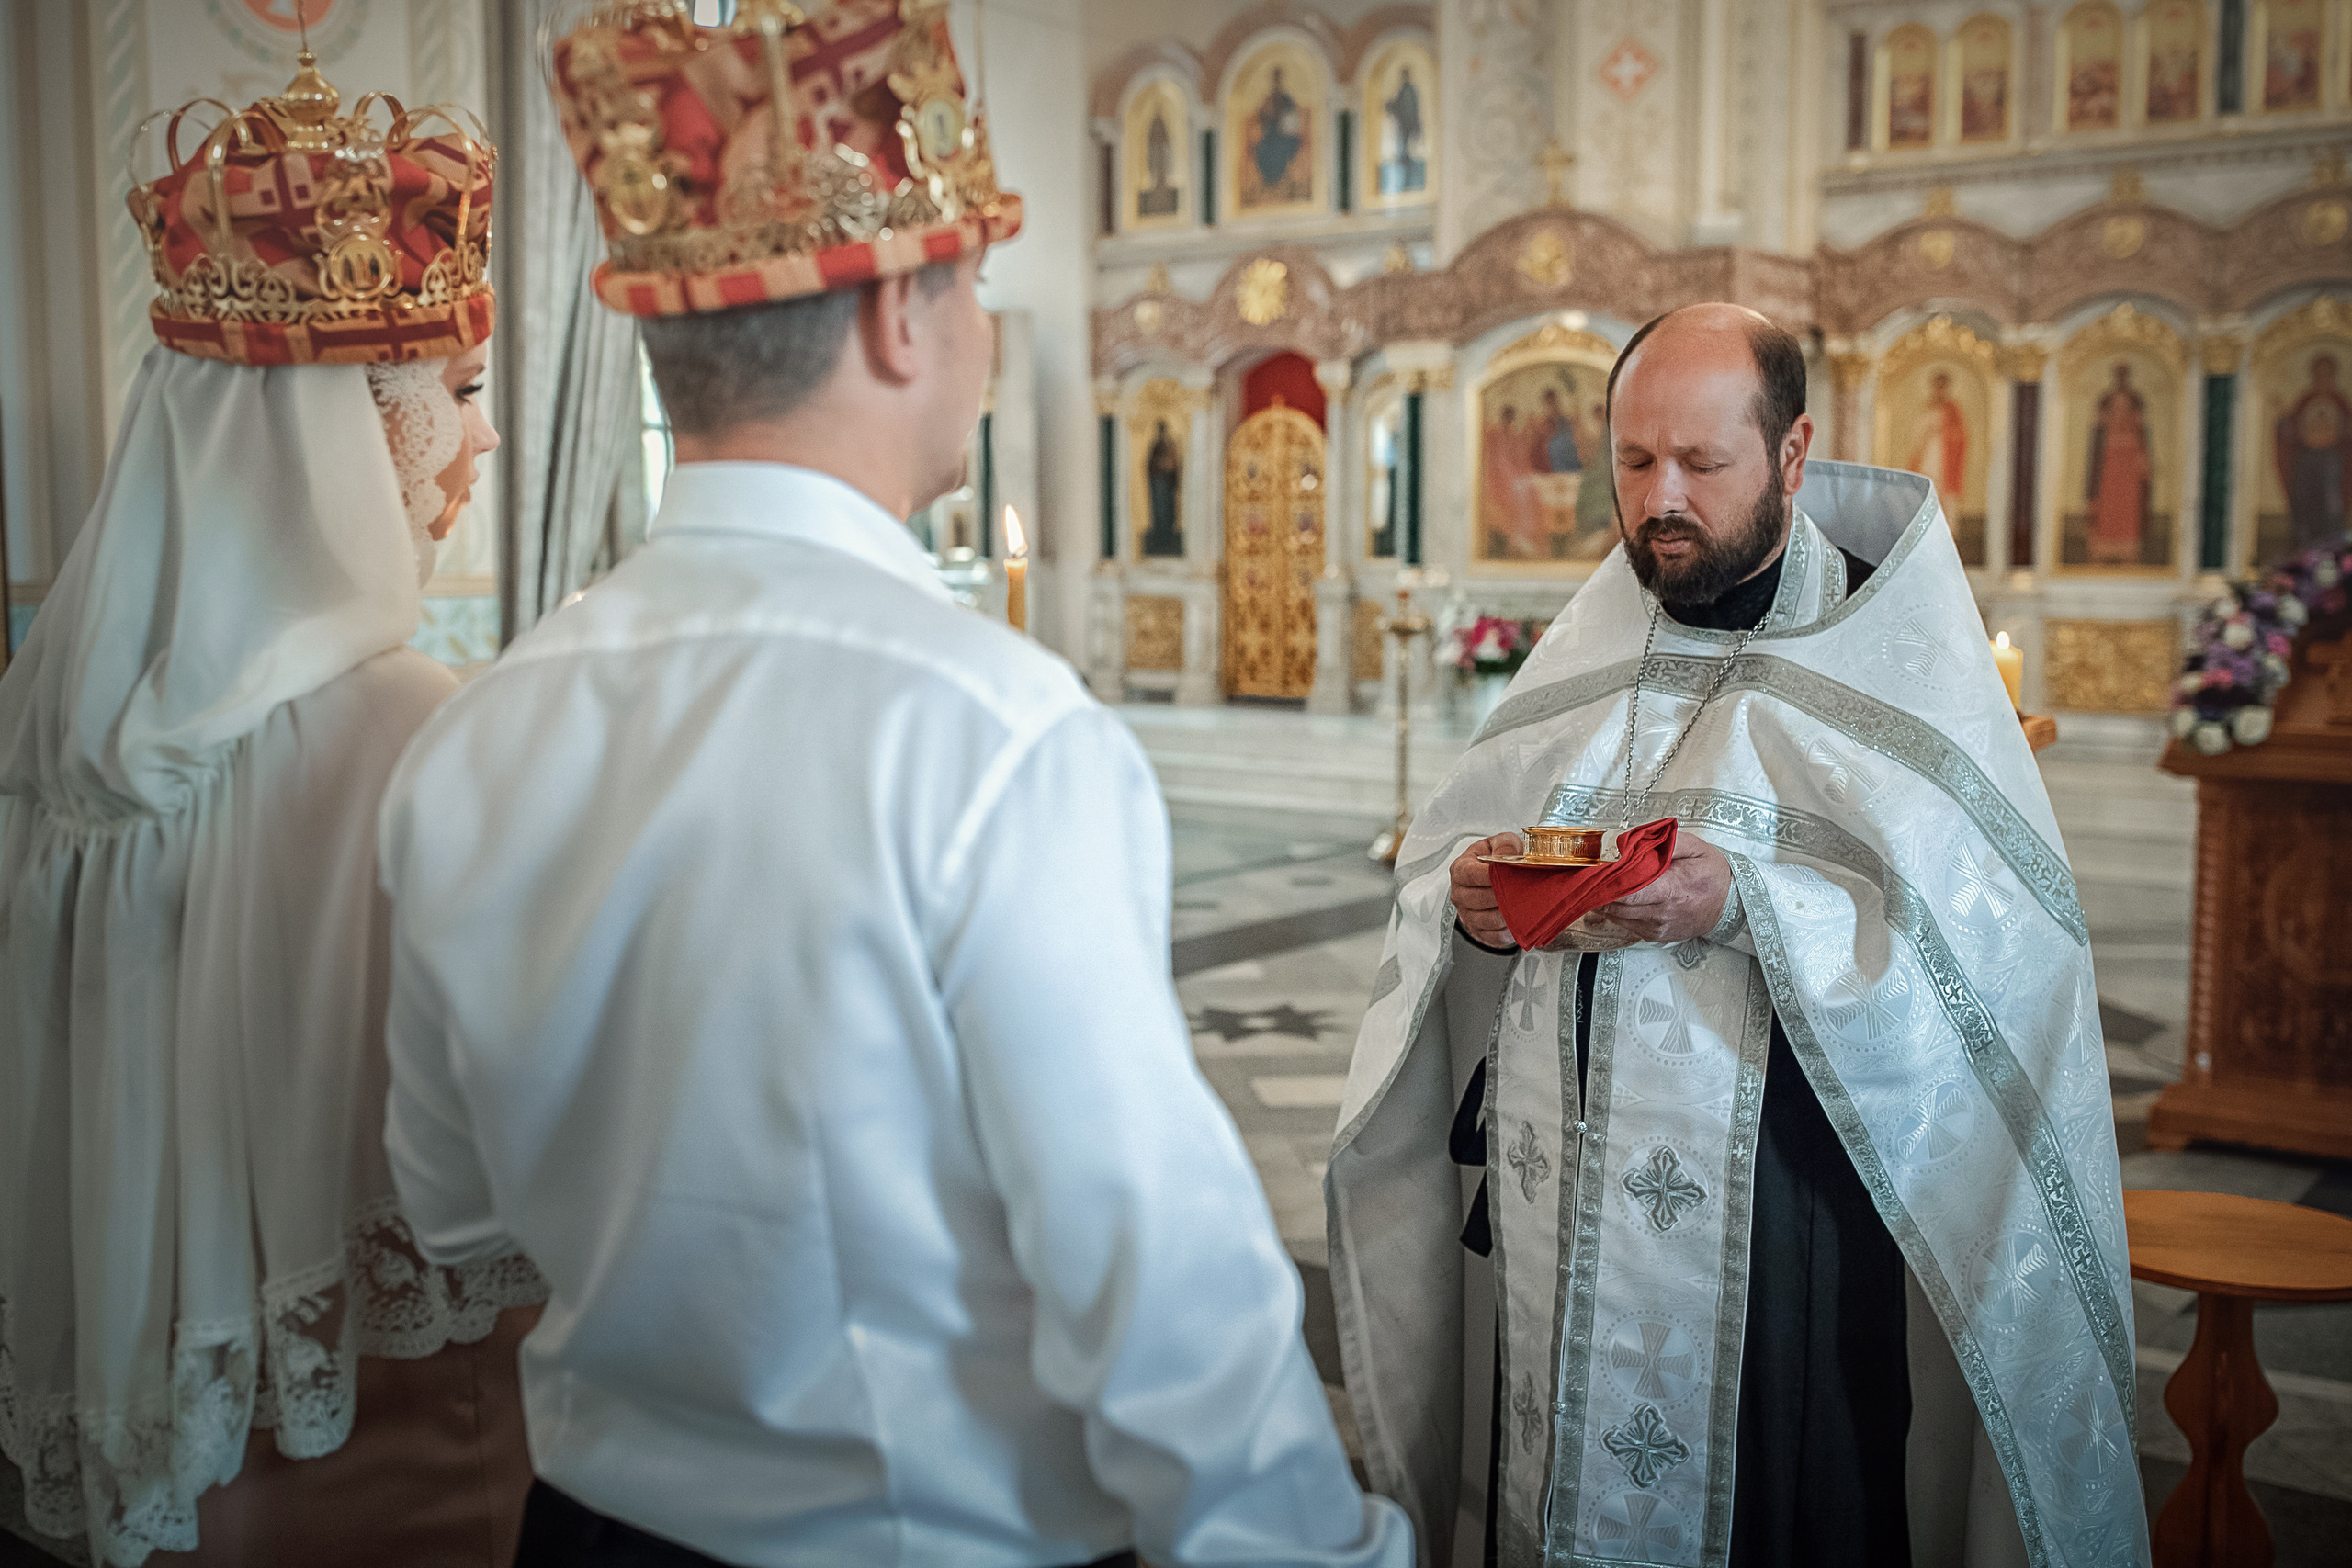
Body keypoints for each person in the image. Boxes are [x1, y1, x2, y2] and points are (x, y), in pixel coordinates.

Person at [379, 7, 1410, 1568]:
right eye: (975, 281)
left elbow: (449, 1203)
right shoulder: (994, 737)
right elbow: (1158, 1282)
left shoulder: (474, 733)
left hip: (590, 1528)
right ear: (901, 324)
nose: (984, 324)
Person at [1329, 305, 2143, 1567]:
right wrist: (1468, 897)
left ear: (1794, 453)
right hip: (1558, 1208)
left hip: (1787, 1226)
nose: (1662, 499)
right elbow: (1457, 848)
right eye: (1634, 460)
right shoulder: (1598, 641)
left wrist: (1748, 900)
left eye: (1703, 465)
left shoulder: (1889, 663)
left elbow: (1999, 956)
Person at [0, 55, 542, 1568]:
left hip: (151, 1445)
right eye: (461, 392)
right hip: (381, 1437)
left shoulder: (54, 715)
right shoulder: (402, 728)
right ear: (331, 424)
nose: (481, 441)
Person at [2273, 352, 2352, 548]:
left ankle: (2331, 546)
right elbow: (2291, 428)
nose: (2322, 377)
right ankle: (2303, 546)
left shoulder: (2340, 401)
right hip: (2306, 460)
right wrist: (2284, 420)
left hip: (2332, 461)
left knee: (2331, 503)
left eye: (2327, 373)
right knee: (2303, 501)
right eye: (2319, 373)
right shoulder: (2305, 400)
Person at [2086, 361, 2152, 565]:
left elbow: (2141, 429)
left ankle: (2127, 549)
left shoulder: (2135, 400)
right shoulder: (2106, 400)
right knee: (2109, 502)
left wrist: (2143, 459)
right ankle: (2104, 548)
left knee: (2128, 503)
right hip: (2110, 457)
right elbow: (2098, 429)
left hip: (2129, 459)